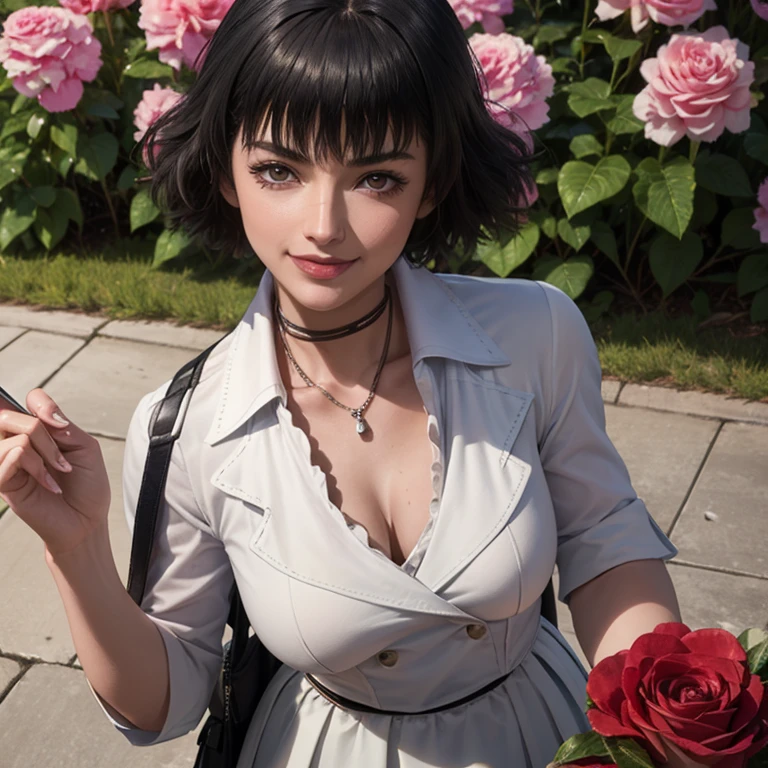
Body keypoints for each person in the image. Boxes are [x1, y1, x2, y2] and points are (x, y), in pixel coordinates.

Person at [0, 0, 683, 765]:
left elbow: (603, 539)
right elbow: (169, 701)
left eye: (377, 178)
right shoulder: (187, 422)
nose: (324, 223)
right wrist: (79, 549)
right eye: (278, 170)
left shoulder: (535, 334)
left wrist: (666, 721)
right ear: (227, 169)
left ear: (431, 184)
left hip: (542, 734)